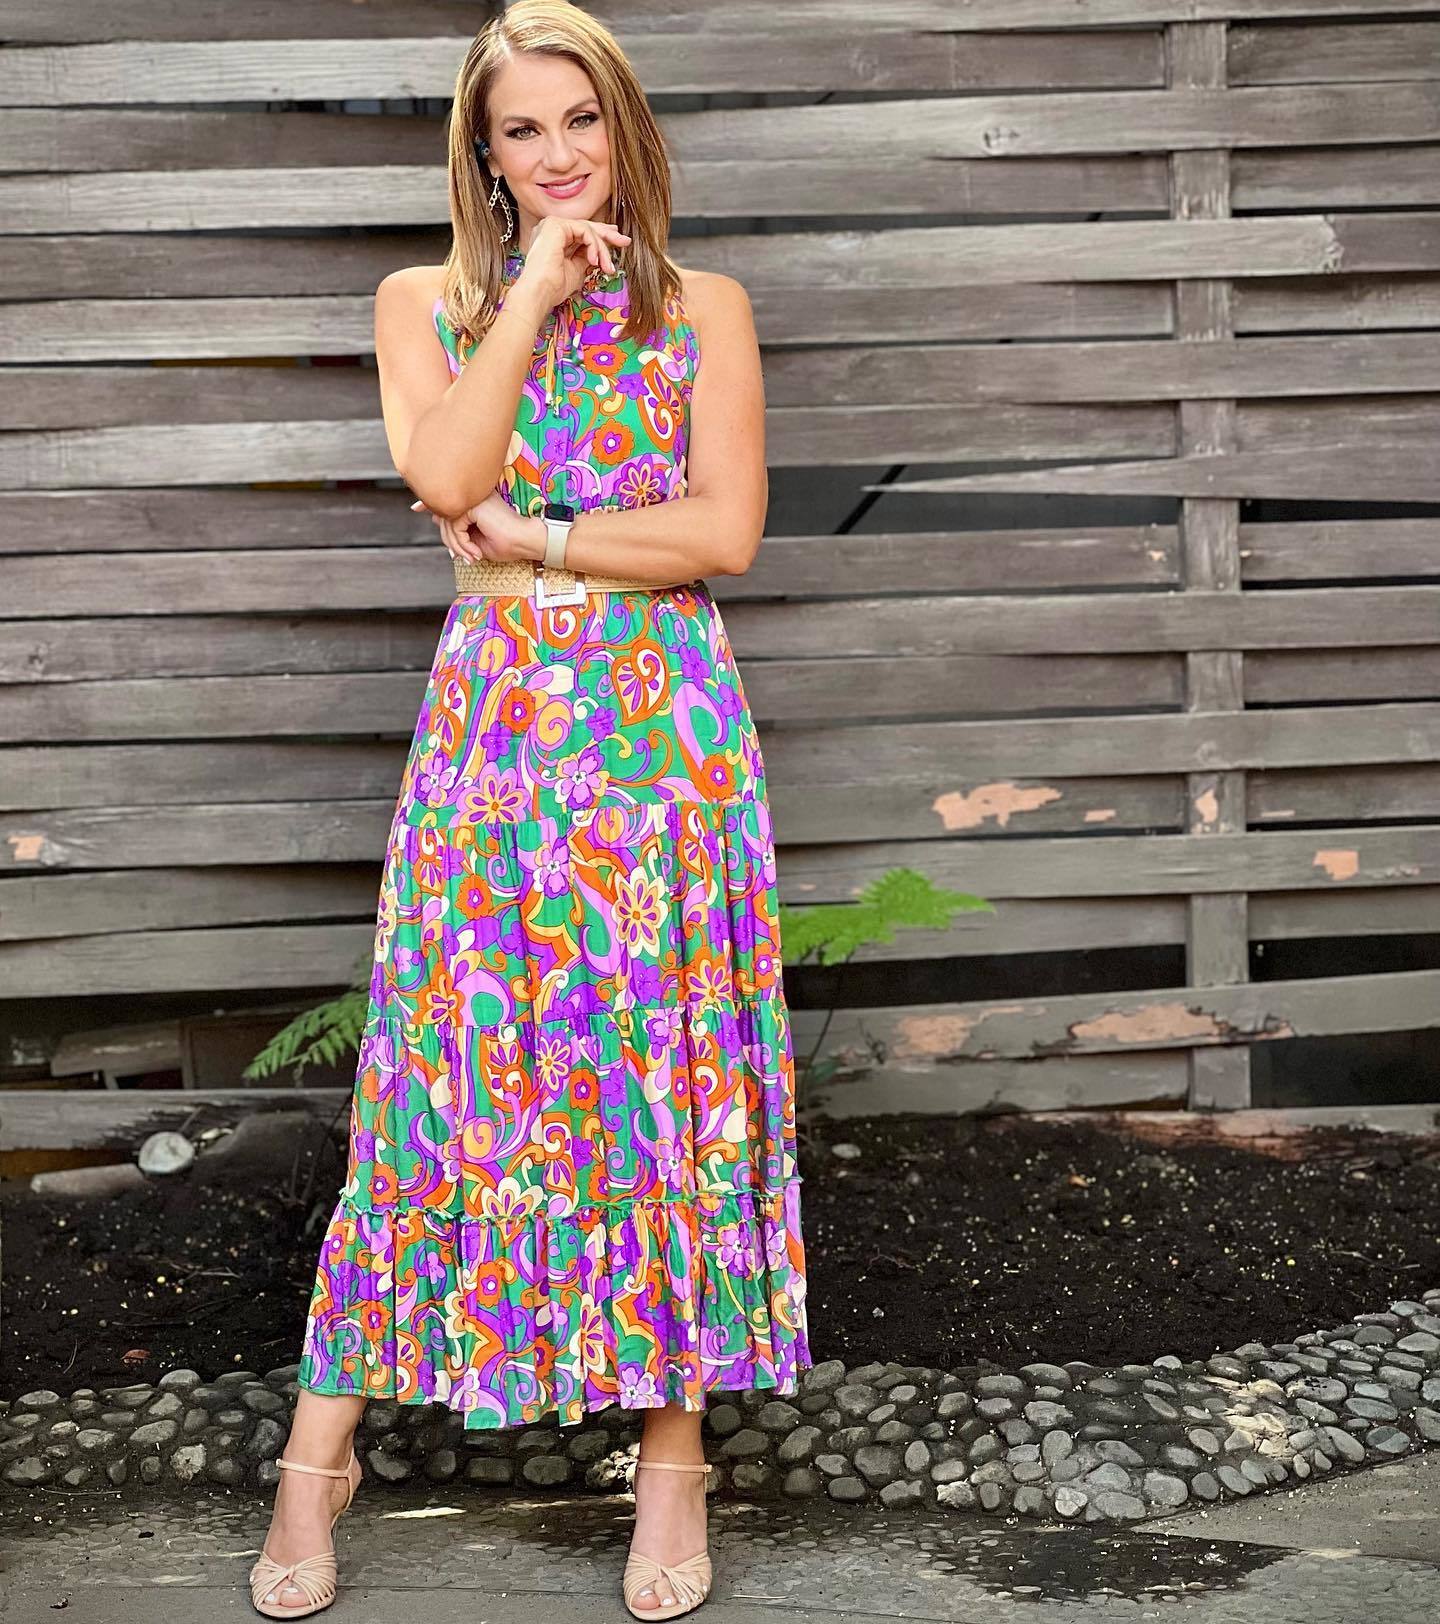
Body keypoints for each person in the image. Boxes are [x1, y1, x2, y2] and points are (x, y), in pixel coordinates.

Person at [248, 3, 814, 1620]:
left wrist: (545, 536)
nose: (557, 152)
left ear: (623, 128)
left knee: (665, 1082)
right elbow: (446, 477)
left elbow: (724, 535)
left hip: (663, 741)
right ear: (482, 155)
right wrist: (533, 300)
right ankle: (318, 1461)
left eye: (580, 119)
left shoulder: (705, 308)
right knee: (442, 1081)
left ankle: (674, 1463)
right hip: (494, 736)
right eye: (522, 129)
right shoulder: (420, 303)